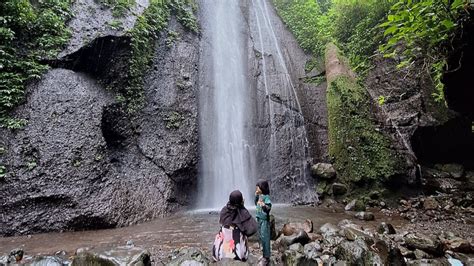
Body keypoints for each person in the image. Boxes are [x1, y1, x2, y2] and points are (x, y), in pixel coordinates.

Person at [212, 190, 258, 262]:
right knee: (239, 234)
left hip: (221, 252)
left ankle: (224, 252)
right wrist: (242, 206)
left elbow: (221, 222)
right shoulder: (243, 212)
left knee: (223, 232)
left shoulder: (224, 210)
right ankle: (234, 252)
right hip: (237, 253)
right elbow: (252, 229)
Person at [255, 179, 272, 265]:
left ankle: (267, 257)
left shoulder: (266, 197)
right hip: (259, 219)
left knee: (265, 238)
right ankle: (264, 255)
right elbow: (255, 204)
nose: (256, 189)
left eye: (258, 188)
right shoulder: (259, 196)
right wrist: (256, 196)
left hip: (265, 221)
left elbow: (269, 208)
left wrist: (264, 205)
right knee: (261, 238)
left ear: (262, 188)